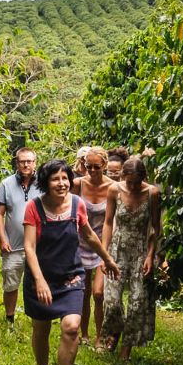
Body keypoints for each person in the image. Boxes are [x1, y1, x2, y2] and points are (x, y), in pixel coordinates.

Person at [23, 159, 119, 365]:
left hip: (71, 276)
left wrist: (107, 260)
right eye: (55, 179)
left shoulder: (77, 205)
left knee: (72, 326)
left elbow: (88, 234)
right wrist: (40, 281)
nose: (62, 183)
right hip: (41, 278)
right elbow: (29, 248)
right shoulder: (34, 207)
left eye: (65, 178)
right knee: (41, 329)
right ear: (46, 183)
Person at [100, 155, 161, 360]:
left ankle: (126, 347)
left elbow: (155, 227)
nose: (133, 186)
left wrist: (151, 256)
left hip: (140, 251)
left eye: (137, 182)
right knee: (112, 300)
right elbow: (108, 223)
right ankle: (115, 332)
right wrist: (104, 253)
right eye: (129, 181)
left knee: (137, 301)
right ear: (123, 176)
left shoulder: (153, 193)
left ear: (143, 177)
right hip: (117, 249)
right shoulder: (114, 190)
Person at [71, 146, 113, 347]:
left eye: (97, 167)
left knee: (99, 293)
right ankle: (84, 333)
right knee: (84, 291)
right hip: (80, 243)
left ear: (104, 165)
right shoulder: (78, 184)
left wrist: (106, 251)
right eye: (89, 167)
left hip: (102, 243)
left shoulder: (113, 187)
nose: (93, 171)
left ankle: (100, 337)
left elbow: (112, 220)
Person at [0, 147, 41, 325]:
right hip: (13, 246)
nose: (26, 164)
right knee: (11, 283)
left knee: (36, 281)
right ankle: (9, 318)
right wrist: (3, 239)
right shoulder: (6, 184)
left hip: (37, 246)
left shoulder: (43, 183)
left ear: (34, 163)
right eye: (22, 161)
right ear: (17, 163)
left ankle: (37, 317)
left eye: (29, 161)